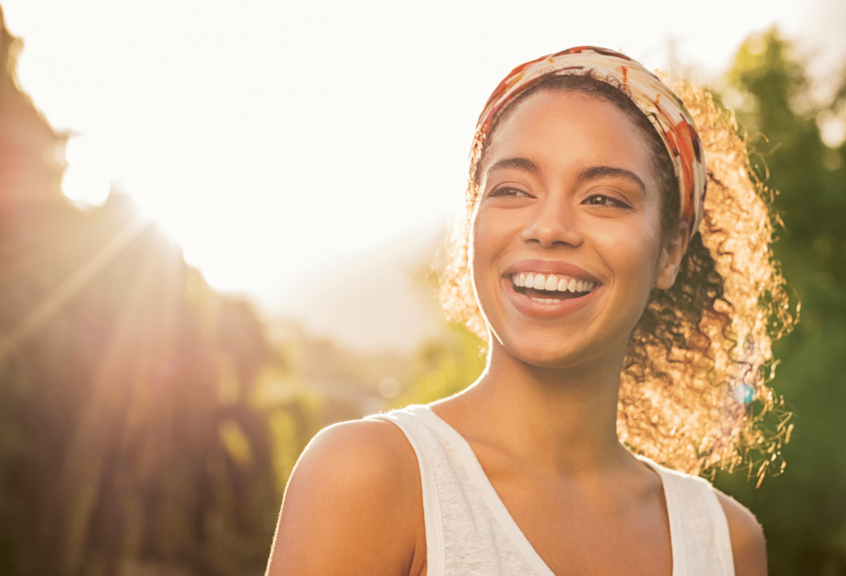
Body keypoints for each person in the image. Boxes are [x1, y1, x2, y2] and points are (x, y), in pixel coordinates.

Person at [266, 46, 792, 576]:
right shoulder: (368, 476)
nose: (549, 227)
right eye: (513, 189)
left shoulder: (726, 542)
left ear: (671, 250)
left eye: (603, 199)